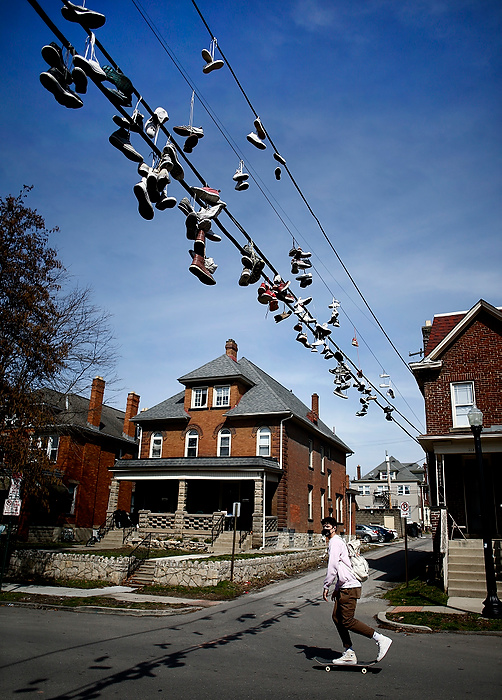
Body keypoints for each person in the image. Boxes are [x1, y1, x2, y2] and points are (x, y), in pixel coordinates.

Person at [321, 516, 393, 665]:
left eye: (328, 527)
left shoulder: (335, 542)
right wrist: (337, 588)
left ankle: (380, 639)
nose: (325, 529)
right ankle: (349, 652)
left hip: (349, 588)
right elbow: (343, 568)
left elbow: (333, 567)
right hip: (344, 587)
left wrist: (326, 586)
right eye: (324, 526)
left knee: (347, 621)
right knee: (337, 618)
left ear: (334, 528)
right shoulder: (338, 542)